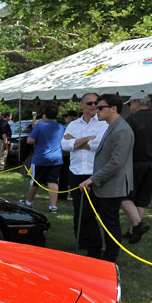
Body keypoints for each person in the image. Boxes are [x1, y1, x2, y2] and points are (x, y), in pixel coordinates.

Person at [80, 95, 133, 263]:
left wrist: (93, 179)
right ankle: (95, 252)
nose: (96, 110)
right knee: (88, 216)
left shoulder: (122, 130)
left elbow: (116, 163)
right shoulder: (112, 126)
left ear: (113, 109)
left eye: (100, 107)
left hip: (111, 186)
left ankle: (110, 259)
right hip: (103, 185)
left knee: (110, 224)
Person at [121, 90, 152, 243]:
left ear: (136, 103)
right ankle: (134, 230)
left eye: (130, 104)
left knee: (123, 196)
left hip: (134, 163)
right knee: (143, 198)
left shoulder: (130, 120)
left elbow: (122, 144)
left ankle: (137, 224)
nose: (129, 107)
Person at [61, 93, 106, 256]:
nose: (93, 106)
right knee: (78, 209)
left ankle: (95, 248)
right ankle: (81, 240)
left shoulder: (102, 123)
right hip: (76, 172)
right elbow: (65, 145)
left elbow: (98, 144)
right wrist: (86, 139)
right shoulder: (73, 124)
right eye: (90, 103)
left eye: (96, 104)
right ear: (82, 105)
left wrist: (77, 141)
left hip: (93, 174)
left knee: (88, 211)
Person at [23, 105, 65, 213]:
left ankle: (29, 202)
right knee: (53, 181)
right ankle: (53, 206)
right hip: (56, 158)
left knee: (35, 181)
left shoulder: (40, 126)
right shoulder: (61, 127)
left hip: (40, 158)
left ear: (44, 115)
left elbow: (30, 141)